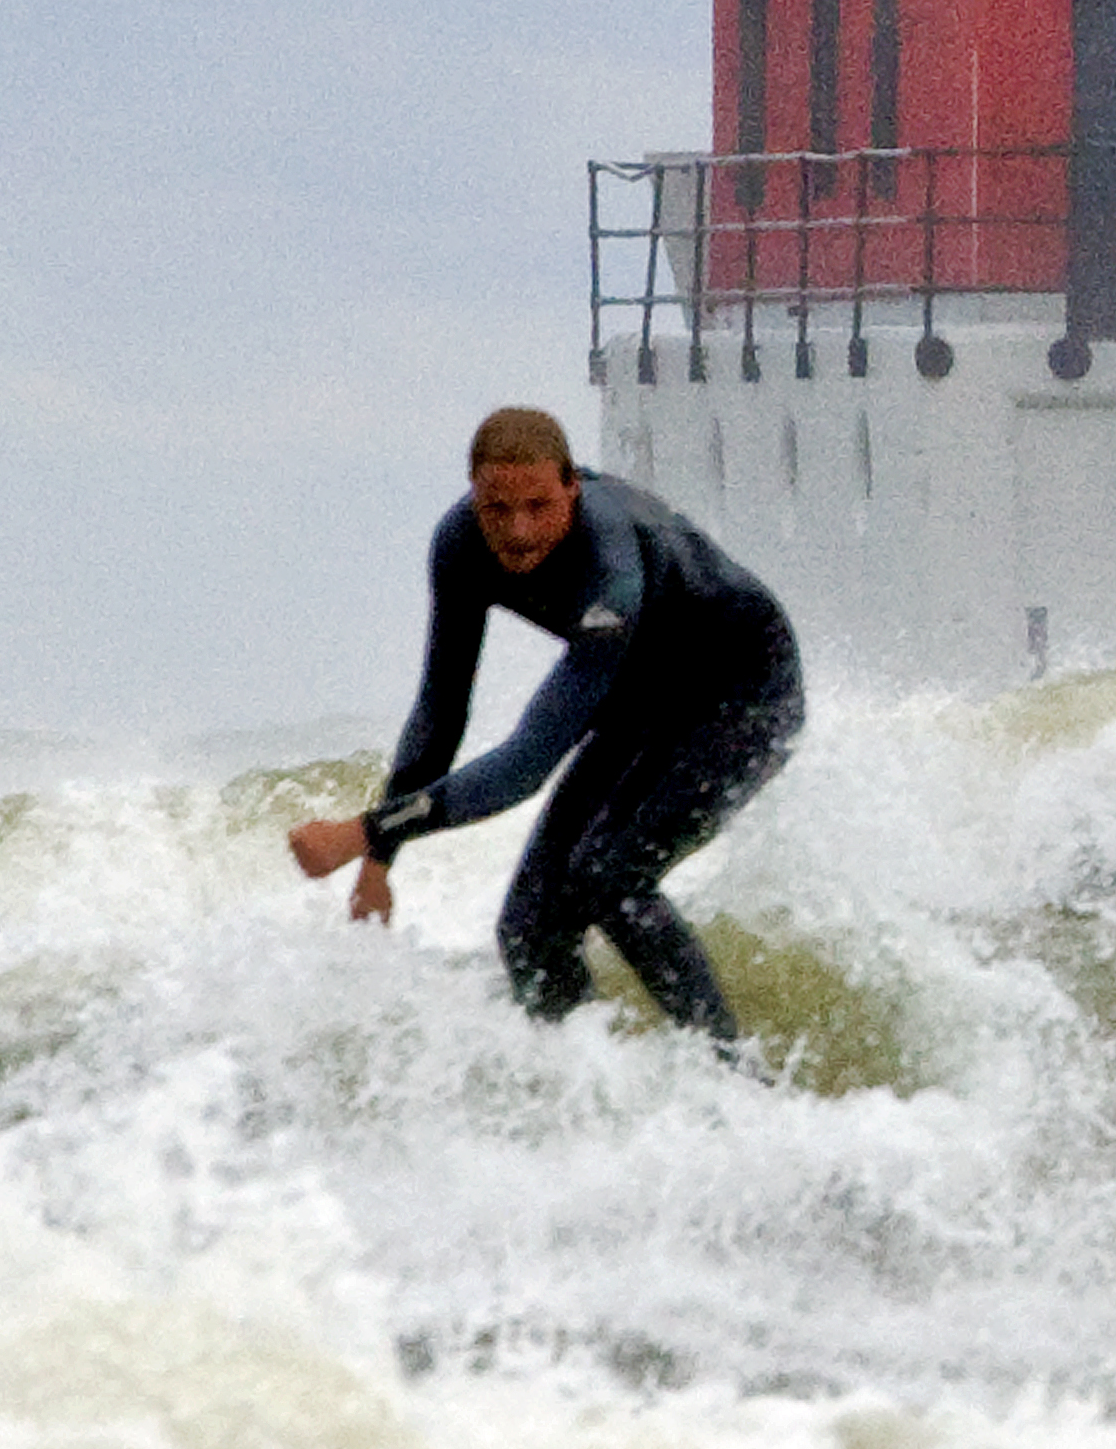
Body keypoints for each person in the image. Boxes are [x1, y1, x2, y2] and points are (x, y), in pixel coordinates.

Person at [287, 407, 803, 1051]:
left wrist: (366, 827)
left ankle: (736, 1078)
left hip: (744, 690)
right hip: (644, 696)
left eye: (538, 505)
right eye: (496, 509)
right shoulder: (459, 547)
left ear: (572, 488)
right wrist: (380, 860)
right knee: (527, 931)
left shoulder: (609, 560)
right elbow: (441, 710)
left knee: (611, 878)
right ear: (474, 496)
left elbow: (529, 762)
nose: (518, 530)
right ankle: (593, 1089)